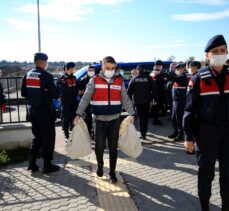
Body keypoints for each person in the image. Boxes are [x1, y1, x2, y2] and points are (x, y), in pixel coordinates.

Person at [183, 34, 229, 211]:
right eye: (215, 51)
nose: (220, 54)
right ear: (207, 55)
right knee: (205, 175)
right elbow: (188, 110)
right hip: (206, 134)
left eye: (223, 51)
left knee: (227, 176)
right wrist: (188, 137)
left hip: (228, 134)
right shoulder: (198, 79)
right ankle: (204, 207)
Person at [74, 56, 135, 183]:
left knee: (113, 147)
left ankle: (112, 172)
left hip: (114, 120)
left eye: (113, 68)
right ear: (102, 67)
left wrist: (132, 113)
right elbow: (85, 98)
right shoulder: (94, 80)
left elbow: (125, 98)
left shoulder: (119, 81)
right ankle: (100, 165)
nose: (110, 70)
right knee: (99, 146)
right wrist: (78, 114)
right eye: (108, 68)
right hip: (99, 120)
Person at [21, 52, 59, 174]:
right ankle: (47, 166)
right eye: (46, 62)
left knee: (37, 138)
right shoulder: (46, 76)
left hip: (32, 112)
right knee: (47, 139)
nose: (46, 64)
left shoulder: (26, 75)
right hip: (45, 113)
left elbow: (23, 93)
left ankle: (31, 163)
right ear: (42, 62)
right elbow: (55, 94)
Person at [127, 64, 158, 140]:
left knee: (141, 118)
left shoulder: (134, 79)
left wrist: (130, 102)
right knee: (146, 118)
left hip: (137, 102)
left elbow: (128, 92)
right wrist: (154, 99)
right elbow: (155, 90)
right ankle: (144, 133)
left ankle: (142, 133)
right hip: (147, 101)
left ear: (138, 70)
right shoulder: (149, 78)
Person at [161, 63, 188, 141]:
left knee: (179, 118)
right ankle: (176, 131)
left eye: (178, 69)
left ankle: (181, 134)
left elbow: (175, 79)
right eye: (176, 69)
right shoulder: (178, 76)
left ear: (183, 69)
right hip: (175, 101)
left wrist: (163, 74)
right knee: (174, 118)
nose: (176, 70)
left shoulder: (183, 77)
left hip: (181, 101)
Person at [58, 62, 78, 141]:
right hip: (66, 102)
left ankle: (72, 132)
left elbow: (76, 87)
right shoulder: (62, 78)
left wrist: (77, 91)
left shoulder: (74, 77)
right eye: (73, 68)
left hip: (73, 101)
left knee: (73, 117)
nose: (74, 69)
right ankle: (66, 134)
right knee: (65, 118)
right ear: (68, 69)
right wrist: (77, 92)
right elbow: (65, 90)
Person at [78, 65, 95, 137]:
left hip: (95, 102)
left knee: (96, 117)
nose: (91, 72)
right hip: (87, 102)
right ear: (87, 71)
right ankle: (88, 132)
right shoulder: (83, 80)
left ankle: (95, 132)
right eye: (90, 70)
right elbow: (80, 92)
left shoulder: (96, 79)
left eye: (92, 71)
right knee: (88, 118)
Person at [150, 60, 167, 125]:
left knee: (156, 106)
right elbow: (156, 83)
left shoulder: (154, 72)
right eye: (160, 66)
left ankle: (155, 118)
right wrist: (164, 80)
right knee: (156, 107)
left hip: (157, 93)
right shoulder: (155, 73)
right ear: (157, 66)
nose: (161, 67)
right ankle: (155, 120)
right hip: (156, 93)